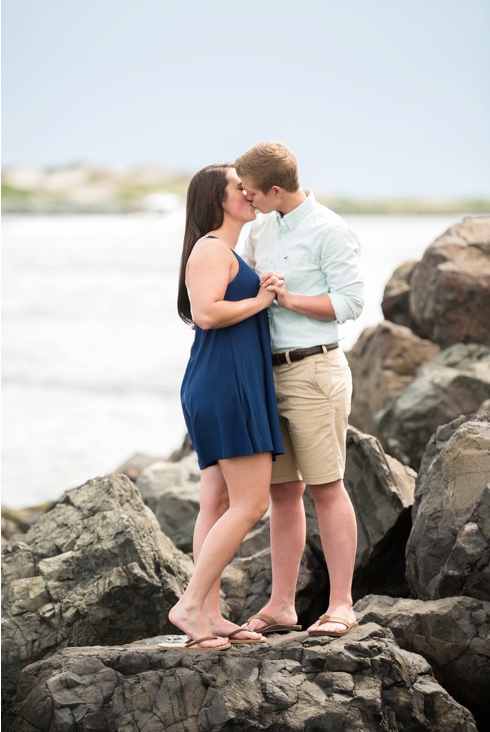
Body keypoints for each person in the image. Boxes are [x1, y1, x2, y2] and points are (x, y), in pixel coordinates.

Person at [235, 141, 364, 638]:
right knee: (282, 492)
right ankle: (283, 605)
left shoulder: (331, 230)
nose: (244, 197)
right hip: (266, 373)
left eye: (249, 189)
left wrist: (287, 299)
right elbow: (244, 286)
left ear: (273, 188)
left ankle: (341, 606)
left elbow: (350, 304)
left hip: (315, 371)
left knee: (328, 488)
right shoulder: (260, 227)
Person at [164, 164, 284, 651]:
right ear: (219, 198)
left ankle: (210, 614)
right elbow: (207, 314)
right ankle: (190, 605)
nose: (250, 193)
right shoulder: (211, 248)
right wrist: (262, 299)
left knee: (215, 501)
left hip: (223, 382)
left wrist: (260, 288)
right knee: (252, 502)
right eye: (241, 187)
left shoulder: (223, 250)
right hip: (226, 386)